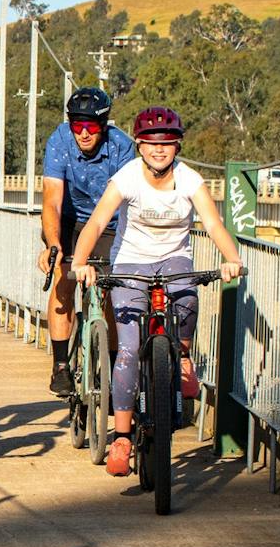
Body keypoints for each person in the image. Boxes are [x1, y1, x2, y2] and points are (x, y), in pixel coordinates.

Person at [69, 106, 244, 477]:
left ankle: (181, 356)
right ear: (139, 145)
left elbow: (213, 223)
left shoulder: (191, 181)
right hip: (131, 262)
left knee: (188, 295)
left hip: (174, 259)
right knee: (130, 347)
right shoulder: (127, 178)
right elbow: (99, 220)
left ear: (178, 146)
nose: (159, 150)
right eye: (151, 143)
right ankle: (121, 437)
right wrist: (81, 261)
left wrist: (232, 259)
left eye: (167, 143)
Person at [39, 87, 134, 396]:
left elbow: (125, 202)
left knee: (107, 284)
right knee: (62, 280)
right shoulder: (60, 140)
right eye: (76, 124)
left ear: (103, 126)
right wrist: (54, 245)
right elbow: (52, 202)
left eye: (90, 126)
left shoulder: (122, 147)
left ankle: (109, 361)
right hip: (70, 218)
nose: (82, 133)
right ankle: (60, 366)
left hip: (109, 222)